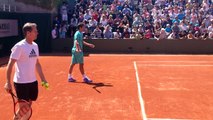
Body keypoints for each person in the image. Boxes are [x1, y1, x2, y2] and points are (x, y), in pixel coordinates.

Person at [4, 22, 48, 119]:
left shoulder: (35, 46)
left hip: (32, 82)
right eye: (35, 31)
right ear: (28, 33)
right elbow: (10, 65)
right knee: (24, 109)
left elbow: (37, 64)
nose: (37, 33)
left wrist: (43, 79)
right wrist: (8, 82)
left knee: (28, 108)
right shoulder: (19, 46)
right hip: (21, 82)